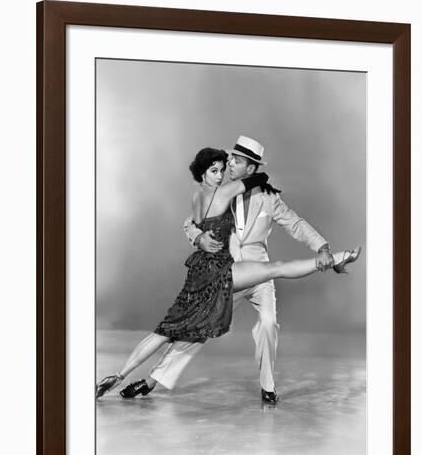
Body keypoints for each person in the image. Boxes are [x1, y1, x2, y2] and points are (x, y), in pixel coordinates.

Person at [96, 144, 361, 402]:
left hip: (258, 275)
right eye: (228, 161)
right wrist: (199, 238)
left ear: (251, 167)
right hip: (226, 273)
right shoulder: (222, 192)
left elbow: (297, 224)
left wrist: (322, 246)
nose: (230, 165)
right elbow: (190, 222)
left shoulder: (269, 199)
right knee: (195, 331)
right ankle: (151, 381)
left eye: (236, 161)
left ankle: (268, 388)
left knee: (268, 324)